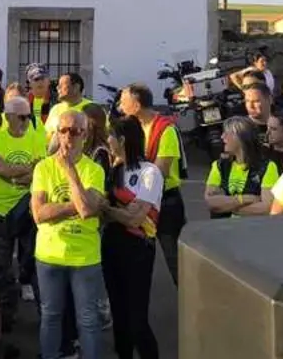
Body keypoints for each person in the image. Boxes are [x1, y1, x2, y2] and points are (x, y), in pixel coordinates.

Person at [31, 109, 106, 359]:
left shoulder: (94, 170)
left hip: (84, 257)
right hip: (49, 255)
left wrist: (70, 171)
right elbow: (39, 213)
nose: (67, 137)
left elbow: (86, 210)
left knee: (88, 320)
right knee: (50, 316)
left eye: (74, 131)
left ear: (85, 135)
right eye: (62, 131)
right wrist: (78, 204)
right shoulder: (43, 168)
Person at [101, 118, 162, 359]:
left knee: (137, 319)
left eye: (111, 136)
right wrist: (116, 212)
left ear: (122, 140)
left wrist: (108, 210)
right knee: (119, 316)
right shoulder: (114, 170)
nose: (108, 140)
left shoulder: (149, 172)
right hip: (111, 244)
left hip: (137, 248)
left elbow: (135, 219)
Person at [0, 95, 44, 329]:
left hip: (27, 208)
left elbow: (41, 170)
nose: (27, 122)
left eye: (29, 117)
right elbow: (0, 169)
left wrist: (18, 172)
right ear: (8, 117)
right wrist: (28, 170)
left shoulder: (37, 138)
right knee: (2, 267)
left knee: (34, 264)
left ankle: (46, 318)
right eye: (22, 117)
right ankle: (5, 318)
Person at [121, 83, 186, 286]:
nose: (120, 107)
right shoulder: (132, 128)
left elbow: (160, 172)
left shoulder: (166, 130)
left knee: (176, 259)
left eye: (124, 102)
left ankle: (190, 300)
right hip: (139, 199)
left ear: (137, 105)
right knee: (139, 258)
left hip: (165, 202)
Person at [206, 118, 279, 219]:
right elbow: (211, 203)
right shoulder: (219, 166)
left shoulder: (267, 167)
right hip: (222, 227)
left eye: (226, 133)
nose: (222, 137)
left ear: (240, 138)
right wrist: (246, 199)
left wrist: (227, 205)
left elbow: (266, 208)